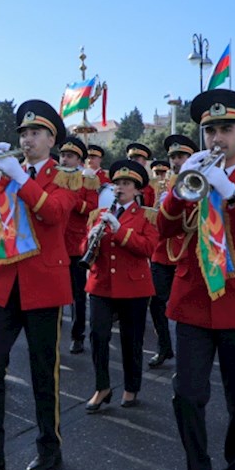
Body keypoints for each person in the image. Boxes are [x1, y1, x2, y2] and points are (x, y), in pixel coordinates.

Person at [157, 89, 235, 470]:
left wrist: (230, 191)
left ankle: (232, 467)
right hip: (194, 299)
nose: (216, 138)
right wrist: (179, 188)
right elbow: (163, 228)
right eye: (210, 130)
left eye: (226, 129)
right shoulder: (190, 175)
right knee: (188, 396)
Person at [0, 99, 78, 470]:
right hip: (4, 283)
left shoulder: (66, 175)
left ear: (51, 139)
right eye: (23, 133)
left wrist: (21, 178)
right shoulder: (6, 172)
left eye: (35, 133)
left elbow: (54, 214)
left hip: (44, 284)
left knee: (44, 374)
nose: (27, 139)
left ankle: (50, 448)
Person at [84, 159, 157, 412]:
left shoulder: (147, 216)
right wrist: (91, 240)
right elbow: (87, 251)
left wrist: (120, 232)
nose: (120, 187)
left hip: (133, 286)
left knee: (131, 339)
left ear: (137, 190)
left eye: (126, 184)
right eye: (117, 183)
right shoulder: (99, 215)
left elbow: (149, 248)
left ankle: (131, 386)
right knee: (98, 336)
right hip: (101, 283)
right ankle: (101, 386)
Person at [147, 135, 198, 368]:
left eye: (181, 156)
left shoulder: (198, 179)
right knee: (156, 303)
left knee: (186, 305)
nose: (176, 161)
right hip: (161, 251)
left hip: (187, 250)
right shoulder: (161, 183)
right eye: (173, 157)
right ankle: (164, 347)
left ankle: (190, 352)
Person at [59, 136, 98, 354]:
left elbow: (92, 209)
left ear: (79, 160)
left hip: (74, 243)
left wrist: (73, 199)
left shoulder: (87, 180)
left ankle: (77, 335)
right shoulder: (54, 177)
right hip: (55, 241)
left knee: (77, 294)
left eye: (70, 156)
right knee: (53, 290)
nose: (65, 159)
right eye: (64, 155)